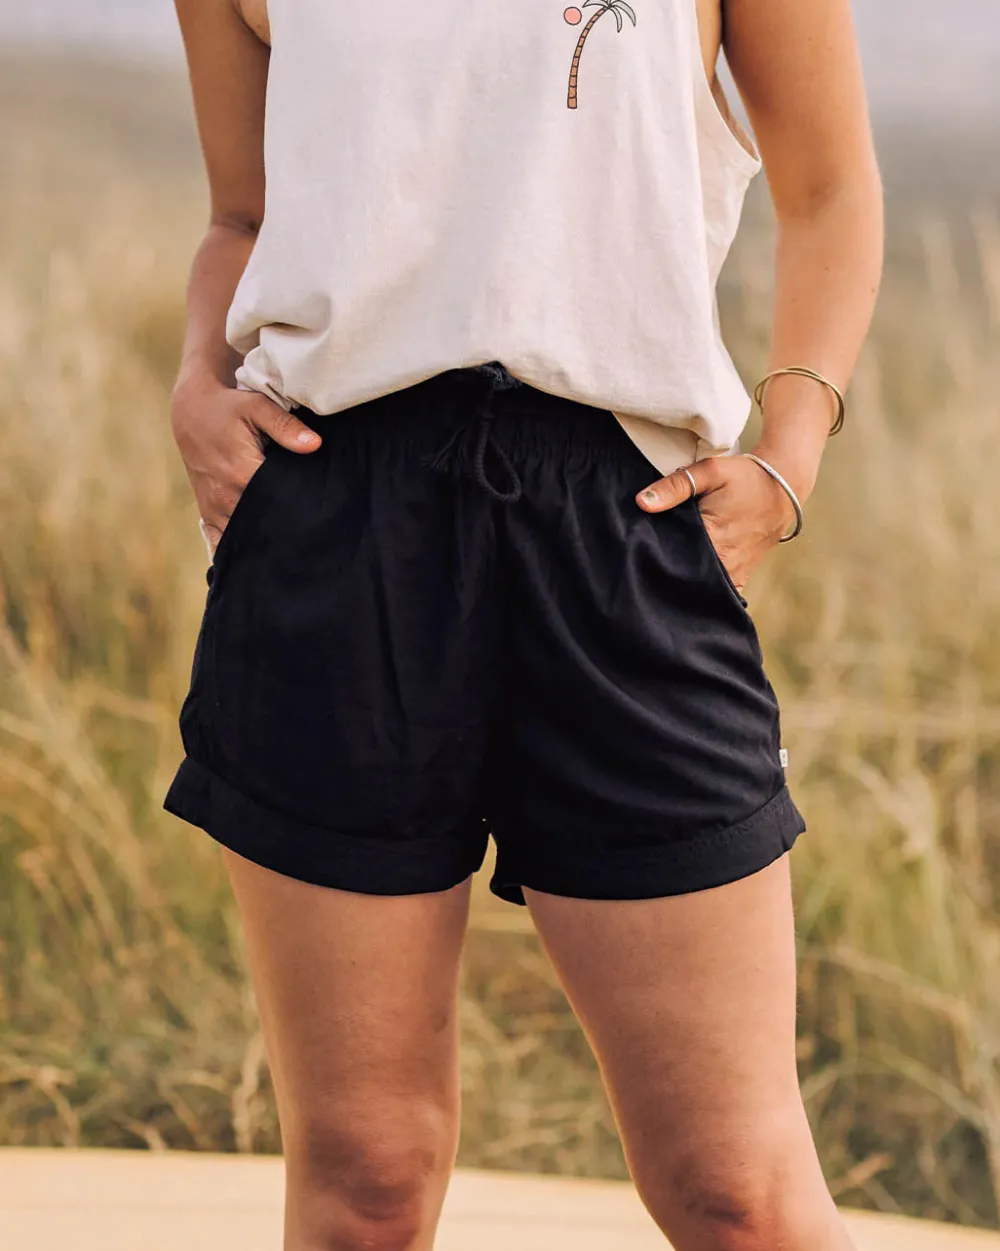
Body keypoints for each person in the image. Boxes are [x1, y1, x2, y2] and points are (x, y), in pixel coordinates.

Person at [164, 0, 883, 1247]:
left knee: (738, 1191)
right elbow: (244, 215)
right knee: (366, 1184)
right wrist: (196, 379)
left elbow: (828, 187)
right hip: (335, 516)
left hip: (621, 522)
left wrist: (791, 455)